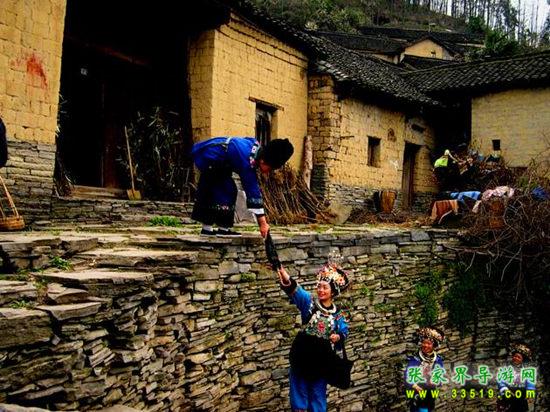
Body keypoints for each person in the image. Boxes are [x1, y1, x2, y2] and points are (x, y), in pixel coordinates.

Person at [276, 261, 350, 412]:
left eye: (325, 287)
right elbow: (297, 290)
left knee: (318, 393)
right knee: (299, 390)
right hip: (302, 355)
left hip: (322, 359)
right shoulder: (309, 304)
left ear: (333, 292)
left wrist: (338, 337)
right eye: (319, 286)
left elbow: (344, 331)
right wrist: (282, 272)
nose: (320, 290)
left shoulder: (337, 315)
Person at [191, 137, 293, 237]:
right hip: (210, 157)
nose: (268, 172)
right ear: (263, 161)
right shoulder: (246, 160)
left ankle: (223, 228)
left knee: (230, 190)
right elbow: (252, 190)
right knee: (216, 190)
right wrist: (263, 223)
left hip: (221, 163)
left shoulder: (254, 149)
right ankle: (207, 229)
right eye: (270, 169)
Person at [405, 327, 445, 412]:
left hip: (430, 393)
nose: (425, 345)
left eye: (429, 343)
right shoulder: (415, 359)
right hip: (417, 392)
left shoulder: (438, 360)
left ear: (434, 346)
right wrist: (415, 386)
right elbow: (407, 375)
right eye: (424, 342)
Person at [496, 343, 536, 412]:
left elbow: (530, 381)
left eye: (518, 357)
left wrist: (530, 389)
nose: (516, 358)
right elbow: (500, 379)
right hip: (508, 394)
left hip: (521, 396)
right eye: (515, 356)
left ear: (522, 360)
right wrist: (504, 388)